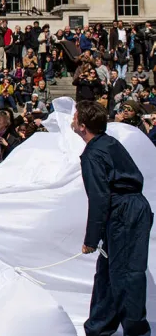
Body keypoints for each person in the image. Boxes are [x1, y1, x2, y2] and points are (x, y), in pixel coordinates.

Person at [73, 99, 153, 336]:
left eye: (76, 116)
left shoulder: (93, 153)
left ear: (83, 125)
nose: (73, 119)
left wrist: (91, 239)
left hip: (124, 213)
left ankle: (137, 331)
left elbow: (99, 198)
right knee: (108, 272)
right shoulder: (109, 143)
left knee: (127, 275)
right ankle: (99, 327)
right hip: (132, 208)